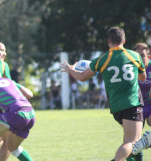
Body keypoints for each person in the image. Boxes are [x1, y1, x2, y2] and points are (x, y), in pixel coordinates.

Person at [61, 27, 146, 161]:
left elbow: (82, 77)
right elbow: (142, 77)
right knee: (133, 142)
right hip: (132, 103)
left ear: (109, 42)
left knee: (131, 141)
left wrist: (70, 69)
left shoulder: (102, 59)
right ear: (124, 40)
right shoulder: (134, 56)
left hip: (116, 107)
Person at [132, 43, 151, 155]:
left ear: (148, 54)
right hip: (137, 105)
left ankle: (147, 140)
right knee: (133, 139)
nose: (141, 58)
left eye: (143, 55)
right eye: (138, 55)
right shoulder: (132, 68)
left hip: (150, 104)